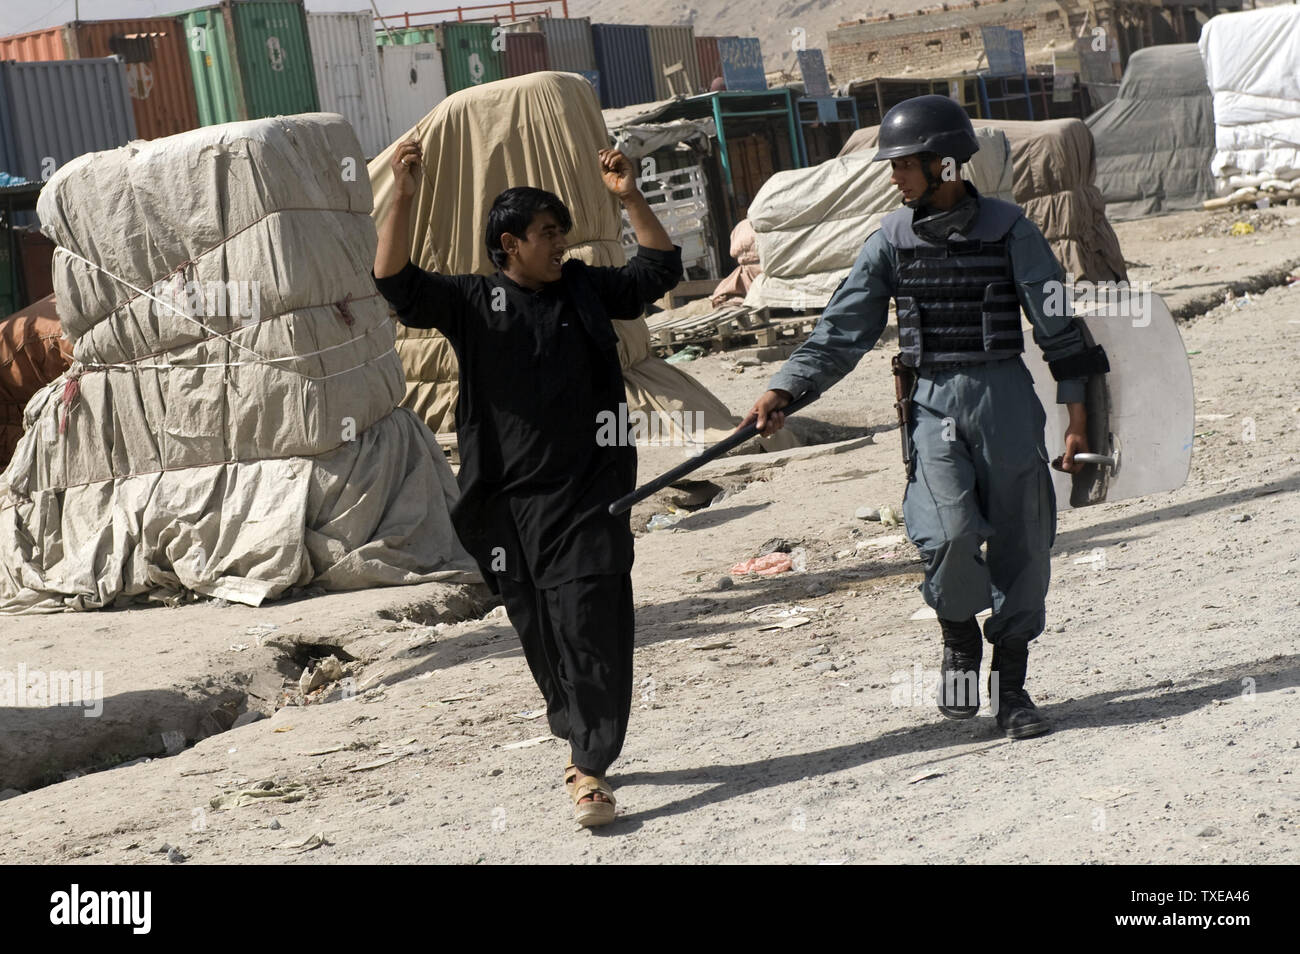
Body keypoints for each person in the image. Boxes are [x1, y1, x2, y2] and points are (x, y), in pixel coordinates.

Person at [742, 95, 1109, 740]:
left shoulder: (1009, 228)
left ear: (944, 164)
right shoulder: (890, 240)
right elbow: (840, 333)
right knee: (946, 534)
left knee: (1024, 544)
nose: (893, 176)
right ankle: (960, 641)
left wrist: (1078, 420)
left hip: (1006, 402)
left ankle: (1014, 688)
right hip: (933, 405)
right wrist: (784, 390)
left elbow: (1059, 327)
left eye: (904, 164)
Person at [372, 140, 682, 825]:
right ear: (508, 244)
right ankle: (576, 734)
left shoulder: (584, 289)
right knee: (542, 629)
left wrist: (629, 194)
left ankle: (592, 767)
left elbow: (658, 268)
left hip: (593, 493)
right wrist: (402, 193)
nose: (561, 244)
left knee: (594, 622)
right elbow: (395, 283)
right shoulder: (474, 302)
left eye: (563, 231)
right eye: (547, 234)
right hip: (507, 505)